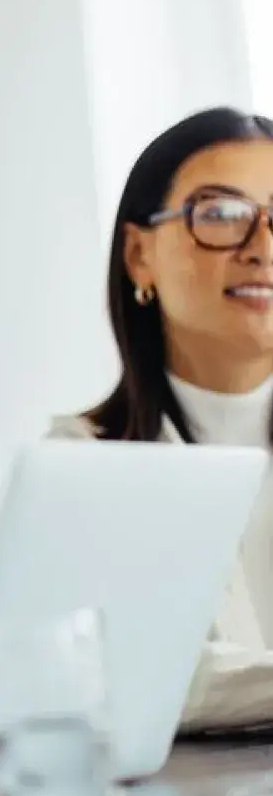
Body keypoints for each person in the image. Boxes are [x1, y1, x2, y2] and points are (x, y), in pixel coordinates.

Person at [51, 106, 273, 731]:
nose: (263, 247)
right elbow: (122, 673)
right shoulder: (80, 465)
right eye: (222, 215)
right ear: (139, 254)